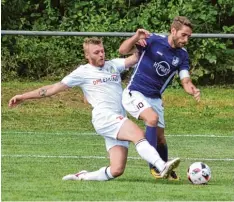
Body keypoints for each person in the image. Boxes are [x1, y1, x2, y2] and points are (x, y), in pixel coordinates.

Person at [9, 37, 180, 181]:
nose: (101, 55)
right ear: (87, 55)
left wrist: (142, 41)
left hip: (117, 118)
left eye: (102, 51)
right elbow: (52, 89)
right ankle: (160, 166)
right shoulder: (82, 72)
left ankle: (82, 177)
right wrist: (23, 96)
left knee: (116, 170)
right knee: (138, 135)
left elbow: (137, 57)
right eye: (96, 53)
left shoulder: (113, 65)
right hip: (104, 117)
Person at [119, 16, 201, 180]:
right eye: (183, 35)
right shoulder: (153, 40)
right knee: (152, 119)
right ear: (173, 31)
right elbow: (122, 50)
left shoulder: (183, 56)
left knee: (160, 138)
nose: (186, 40)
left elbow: (185, 79)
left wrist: (190, 87)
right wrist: (136, 37)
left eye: (189, 37)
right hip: (135, 91)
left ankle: (166, 168)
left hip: (155, 98)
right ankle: (156, 167)